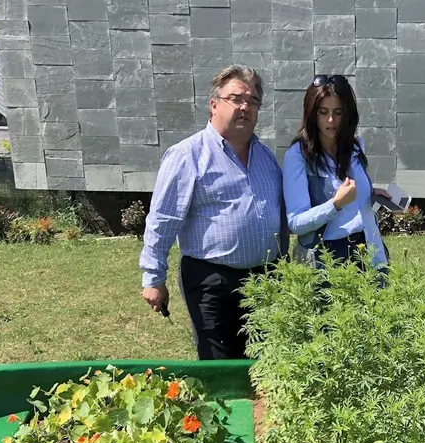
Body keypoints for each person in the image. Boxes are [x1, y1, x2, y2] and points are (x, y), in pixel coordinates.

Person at [139, 65, 288, 360]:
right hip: (212, 281)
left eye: (253, 101)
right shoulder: (188, 155)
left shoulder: (265, 157)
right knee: (220, 365)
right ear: (214, 104)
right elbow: (162, 219)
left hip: (265, 280)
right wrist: (153, 278)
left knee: (267, 364)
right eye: (236, 99)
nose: (245, 107)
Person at [282, 74, 388, 273]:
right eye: (323, 112)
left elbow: (351, 196)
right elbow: (296, 222)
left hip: (370, 250)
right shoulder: (298, 156)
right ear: (312, 113)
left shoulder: (356, 146)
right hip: (328, 258)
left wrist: (370, 192)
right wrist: (335, 204)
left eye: (338, 112)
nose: (331, 120)